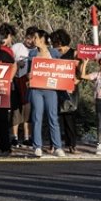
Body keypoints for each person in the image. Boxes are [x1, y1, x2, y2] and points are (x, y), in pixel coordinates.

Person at [28, 29, 65, 158]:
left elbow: (62, 69)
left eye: (36, 38)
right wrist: (29, 75)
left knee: (53, 117)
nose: (34, 40)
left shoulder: (54, 52)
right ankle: (37, 146)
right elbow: (29, 71)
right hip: (36, 89)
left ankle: (57, 146)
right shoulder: (32, 53)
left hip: (50, 89)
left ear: (42, 39)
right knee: (37, 117)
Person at [50, 29, 80, 153]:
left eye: (54, 41)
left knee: (69, 117)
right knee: (53, 116)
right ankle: (54, 144)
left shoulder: (74, 53)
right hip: (55, 87)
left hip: (70, 88)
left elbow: (80, 71)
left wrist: (75, 82)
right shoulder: (52, 53)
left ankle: (72, 145)